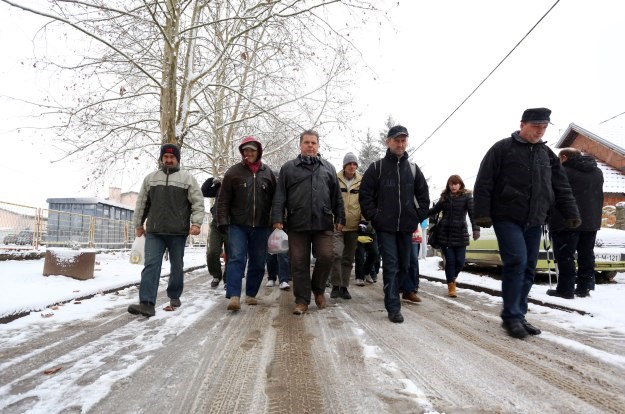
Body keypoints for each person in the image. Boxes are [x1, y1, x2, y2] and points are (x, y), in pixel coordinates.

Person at [474, 107, 580, 339]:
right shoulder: (502, 149)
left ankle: (519, 314)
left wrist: (571, 212)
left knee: (529, 268)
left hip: (535, 219)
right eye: (535, 127)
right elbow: (484, 182)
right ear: (522, 125)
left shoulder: (547, 155)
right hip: (507, 217)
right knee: (517, 261)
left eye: (543, 128)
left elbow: (561, 186)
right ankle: (511, 316)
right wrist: (481, 213)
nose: (539, 132)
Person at [359, 125, 430, 323]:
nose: (400, 144)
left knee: (405, 265)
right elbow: (365, 195)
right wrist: (375, 216)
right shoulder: (377, 168)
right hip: (385, 227)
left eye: (403, 140)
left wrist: (416, 215)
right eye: (396, 140)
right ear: (388, 142)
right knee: (391, 265)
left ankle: (395, 294)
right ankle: (393, 306)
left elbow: (424, 197)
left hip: (406, 226)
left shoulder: (413, 169)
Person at [271, 129, 345, 315]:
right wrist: (278, 218)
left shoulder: (328, 168)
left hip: (323, 223)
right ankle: (302, 300)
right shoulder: (288, 168)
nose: (310, 146)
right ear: (300, 145)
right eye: (307, 143)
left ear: (318, 146)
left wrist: (340, 217)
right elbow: (279, 196)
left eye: (313, 143)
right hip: (297, 224)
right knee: (298, 263)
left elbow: (337, 197)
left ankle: (318, 289)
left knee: (328, 256)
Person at [128, 143, 205, 317]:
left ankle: (175, 294)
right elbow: (142, 203)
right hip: (155, 232)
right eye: (166, 157)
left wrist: (197, 223)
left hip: (178, 232)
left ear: (177, 159)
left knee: (177, 266)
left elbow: (197, 203)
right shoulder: (151, 178)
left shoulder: (187, 179)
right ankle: (147, 303)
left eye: (172, 157)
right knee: (151, 266)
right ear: (161, 158)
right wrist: (138, 225)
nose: (168, 160)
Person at [217, 136, 276, 311]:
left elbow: (276, 200)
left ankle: (251, 294)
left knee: (258, 261)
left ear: (259, 152)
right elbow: (223, 199)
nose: (248, 153)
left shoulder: (268, 173)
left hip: (261, 225)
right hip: (238, 224)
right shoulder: (233, 172)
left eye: (252, 150)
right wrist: (222, 221)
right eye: (245, 151)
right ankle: (234, 296)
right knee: (236, 258)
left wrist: (277, 220)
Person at [547, 147, 604, 299]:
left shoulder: (563, 172)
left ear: (564, 157)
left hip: (566, 220)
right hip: (591, 221)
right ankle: (584, 287)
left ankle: (565, 289)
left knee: (565, 256)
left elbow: (553, 196)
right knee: (586, 255)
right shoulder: (597, 172)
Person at [428, 175, 480, 298]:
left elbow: (473, 214)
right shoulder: (444, 198)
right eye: (451, 184)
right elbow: (434, 210)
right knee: (450, 261)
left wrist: (476, 229)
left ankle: (453, 277)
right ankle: (451, 286)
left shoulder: (467, 197)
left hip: (461, 234)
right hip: (445, 234)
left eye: (456, 184)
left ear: (460, 184)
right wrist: (419, 214)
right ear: (448, 185)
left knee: (460, 262)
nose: (453, 186)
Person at [329, 152, 363, 300]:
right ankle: (335, 286)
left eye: (354, 164)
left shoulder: (362, 181)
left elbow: (365, 201)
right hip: (337, 224)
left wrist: (363, 220)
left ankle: (344, 287)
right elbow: (329, 200)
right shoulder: (334, 179)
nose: (352, 166)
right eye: (349, 163)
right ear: (344, 165)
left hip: (354, 226)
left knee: (348, 258)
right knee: (336, 254)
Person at [201, 177, 227, 288]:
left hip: (231, 225)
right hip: (216, 224)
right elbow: (204, 191)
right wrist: (212, 180)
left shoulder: (238, 187)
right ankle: (216, 275)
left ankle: (229, 279)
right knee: (212, 252)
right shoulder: (219, 187)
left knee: (231, 255)